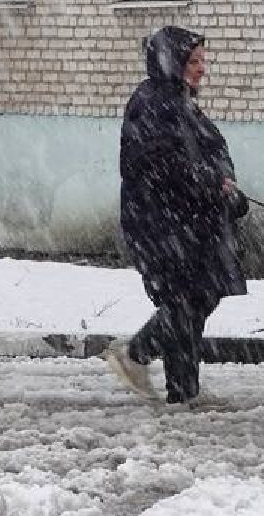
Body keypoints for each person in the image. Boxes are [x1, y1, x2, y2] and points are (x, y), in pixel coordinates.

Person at [103, 26, 249, 407]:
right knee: (186, 303)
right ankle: (136, 355)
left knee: (195, 302)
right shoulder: (152, 103)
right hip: (160, 224)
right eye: (194, 61)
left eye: (203, 60)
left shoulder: (180, 102)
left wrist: (226, 187)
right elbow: (160, 166)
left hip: (188, 223)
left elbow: (209, 154)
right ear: (171, 61)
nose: (202, 69)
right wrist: (210, 183)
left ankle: (183, 392)